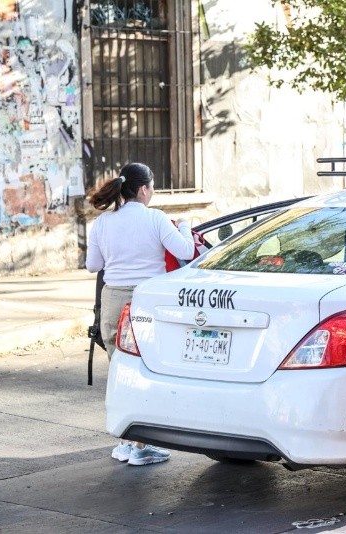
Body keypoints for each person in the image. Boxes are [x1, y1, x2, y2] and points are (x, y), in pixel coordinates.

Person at [85, 162, 196, 466]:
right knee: (147, 373)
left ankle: (125, 442)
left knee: (122, 372)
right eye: (153, 186)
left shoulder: (103, 223)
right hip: (147, 303)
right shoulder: (156, 219)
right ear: (144, 189)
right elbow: (186, 251)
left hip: (112, 303)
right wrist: (184, 224)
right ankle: (141, 446)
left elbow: (93, 265)